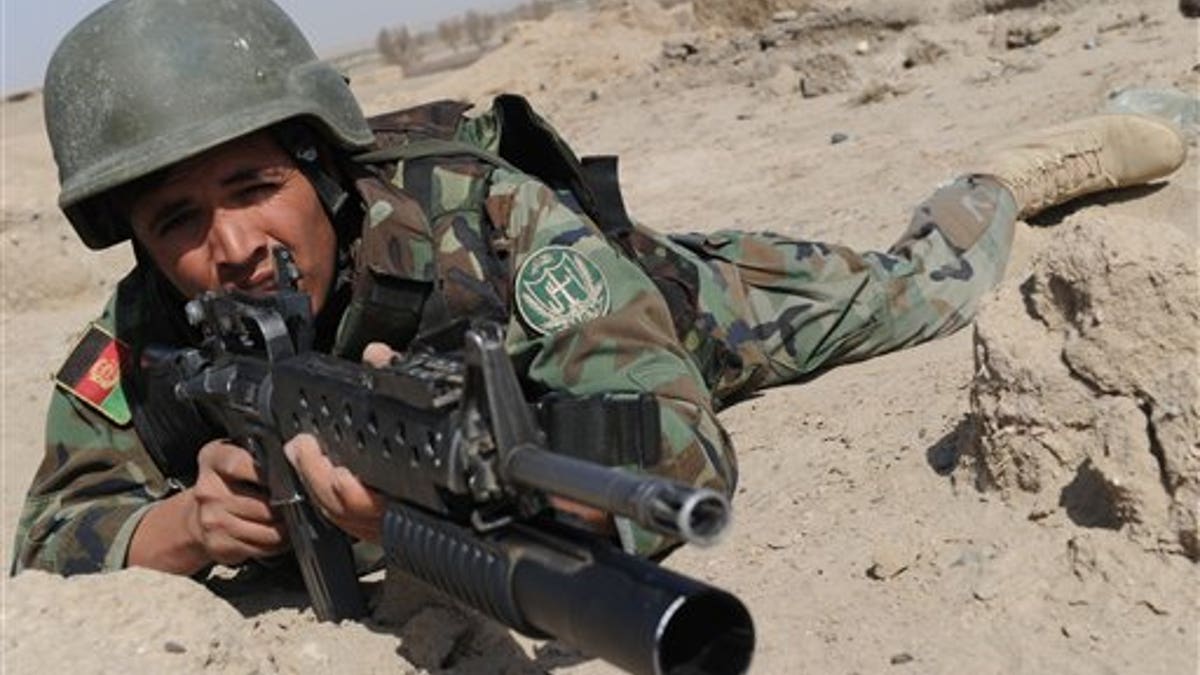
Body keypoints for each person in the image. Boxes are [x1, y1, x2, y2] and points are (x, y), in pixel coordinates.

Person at [11, 0, 1186, 579]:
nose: (227, 242)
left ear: (321, 163)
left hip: (676, 306)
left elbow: (676, 447)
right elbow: (49, 537)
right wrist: (180, 524)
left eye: (255, 184)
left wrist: (447, 515)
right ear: (135, 240)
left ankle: (1028, 170)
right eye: (175, 219)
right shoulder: (148, 334)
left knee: (925, 284)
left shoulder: (484, 214)